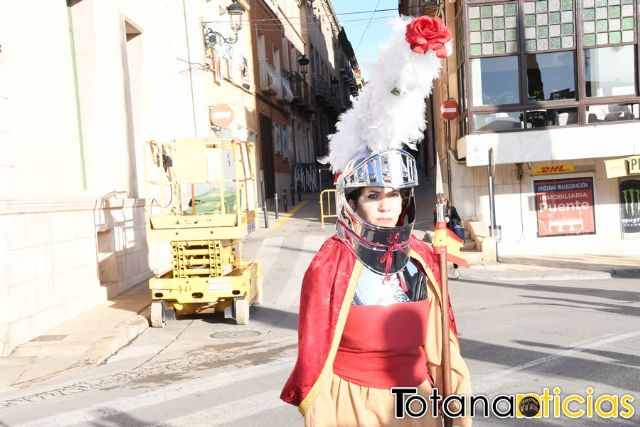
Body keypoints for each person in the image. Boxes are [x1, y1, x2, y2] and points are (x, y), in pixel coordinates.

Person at [280, 16, 472, 426]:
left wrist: (455, 408)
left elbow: (442, 349)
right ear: (353, 201)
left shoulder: (422, 258)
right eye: (373, 195)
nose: (386, 205)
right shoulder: (330, 263)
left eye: (395, 195)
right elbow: (318, 355)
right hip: (354, 407)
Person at [434, 198, 465, 279]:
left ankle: (455, 271)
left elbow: (458, 218)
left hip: (452, 234)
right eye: (441, 201)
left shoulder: (452, 209)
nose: (443, 202)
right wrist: (441, 221)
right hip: (442, 234)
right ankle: (442, 271)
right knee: (441, 252)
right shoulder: (436, 211)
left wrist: (449, 220)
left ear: (447, 201)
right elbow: (434, 223)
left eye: (445, 200)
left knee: (454, 252)